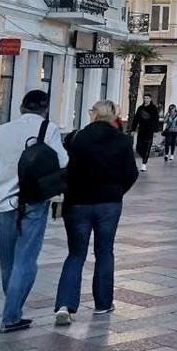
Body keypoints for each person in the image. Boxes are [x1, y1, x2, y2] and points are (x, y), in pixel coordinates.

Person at [0, 90, 68, 333]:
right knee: (25, 260)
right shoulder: (48, 129)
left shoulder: (0, 131)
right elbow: (63, 162)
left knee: (7, 262)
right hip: (34, 202)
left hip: (4, 204)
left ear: (21, 107)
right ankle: (11, 316)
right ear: (45, 109)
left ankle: (13, 310)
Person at [54, 100, 138, 325]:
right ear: (114, 116)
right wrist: (117, 191)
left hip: (77, 203)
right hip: (108, 203)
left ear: (93, 114)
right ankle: (103, 303)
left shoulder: (76, 138)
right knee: (104, 251)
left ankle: (65, 305)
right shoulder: (122, 140)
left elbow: (65, 168)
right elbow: (131, 173)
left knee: (75, 253)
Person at [129, 94, 160, 173]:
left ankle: (144, 164)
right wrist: (133, 129)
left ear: (150, 99)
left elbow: (156, 120)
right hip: (141, 130)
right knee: (138, 147)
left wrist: (155, 131)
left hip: (150, 131)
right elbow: (136, 119)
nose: (145, 99)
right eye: (144, 98)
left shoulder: (154, 108)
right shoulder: (140, 108)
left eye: (147, 98)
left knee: (147, 147)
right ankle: (144, 157)